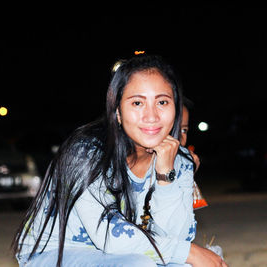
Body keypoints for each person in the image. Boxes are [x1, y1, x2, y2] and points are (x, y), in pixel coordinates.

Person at [12, 55, 227, 267]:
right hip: (54, 254)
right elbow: (109, 235)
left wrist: (165, 176)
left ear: (176, 108)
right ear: (118, 112)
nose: (151, 116)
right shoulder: (86, 153)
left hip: (127, 254)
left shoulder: (181, 161)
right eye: (137, 103)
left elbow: (177, 238)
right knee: (140, 264)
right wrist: (187, 252)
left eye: (162, 102)